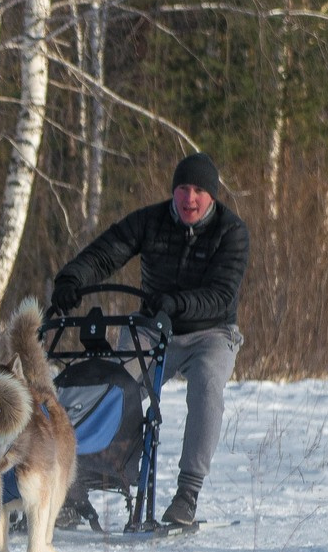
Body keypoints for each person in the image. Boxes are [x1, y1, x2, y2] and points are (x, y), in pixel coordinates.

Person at [48, 152, 249, 532]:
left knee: (207, 386)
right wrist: (71, 279)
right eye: (183, 189)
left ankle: (187, 494)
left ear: (212, 197)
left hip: (211, 332)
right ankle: (79, 482)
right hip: (151, 328)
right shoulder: (150, 220)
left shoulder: (232, 231)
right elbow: (106, 252)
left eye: (199, 192)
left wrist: (177, 303)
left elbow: (222, 295)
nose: (189, 198)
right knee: (108, 385)